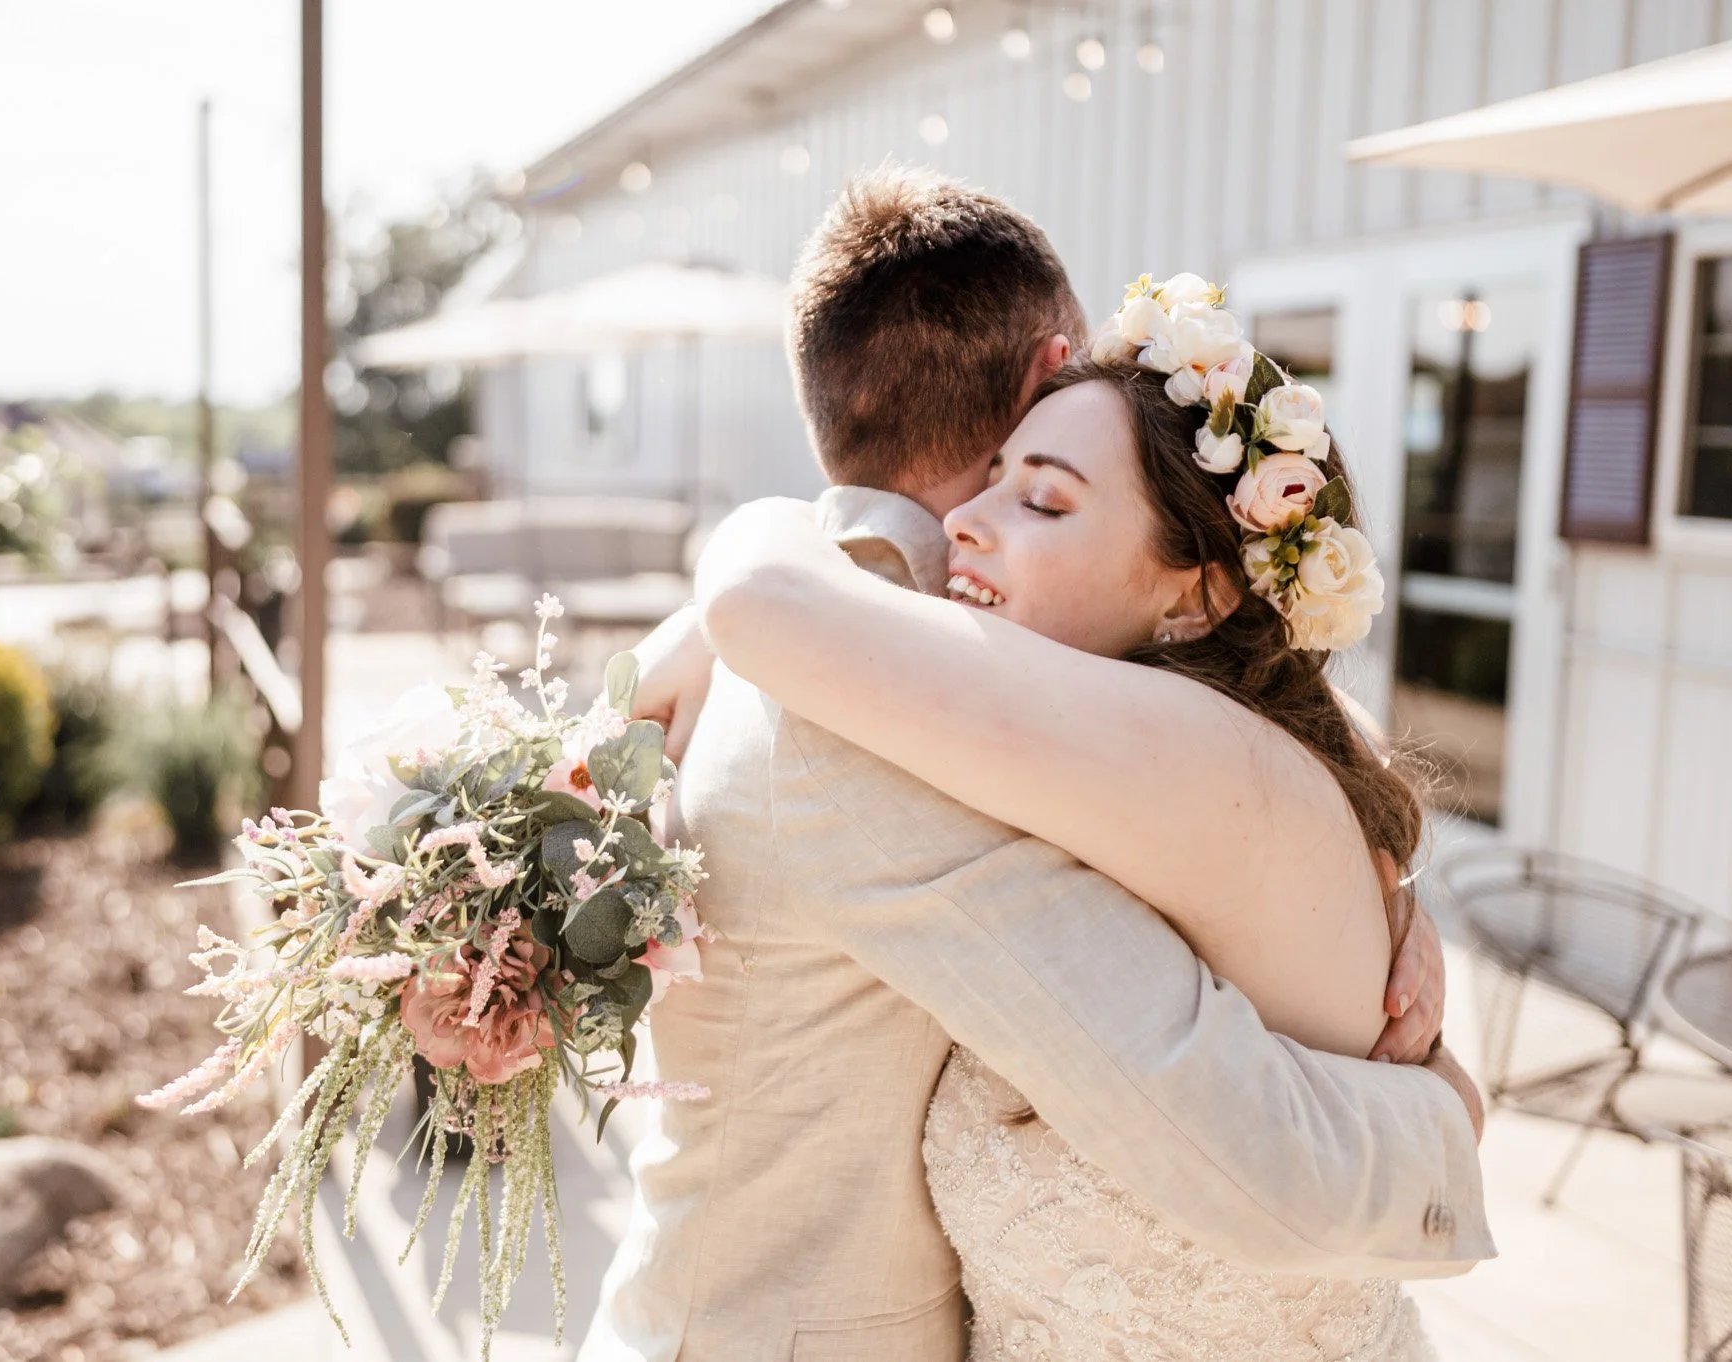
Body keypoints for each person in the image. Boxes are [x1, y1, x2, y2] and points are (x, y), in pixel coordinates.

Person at [578, 169, 1490, 1362]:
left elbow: (1248, 794)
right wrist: (1444, 1111)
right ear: (1047, 369)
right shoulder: (866, 695)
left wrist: (1367, 874)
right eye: (1018, 473)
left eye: (1047, 496)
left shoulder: (882, 651)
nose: (981, 522)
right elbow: (1245, 1145)